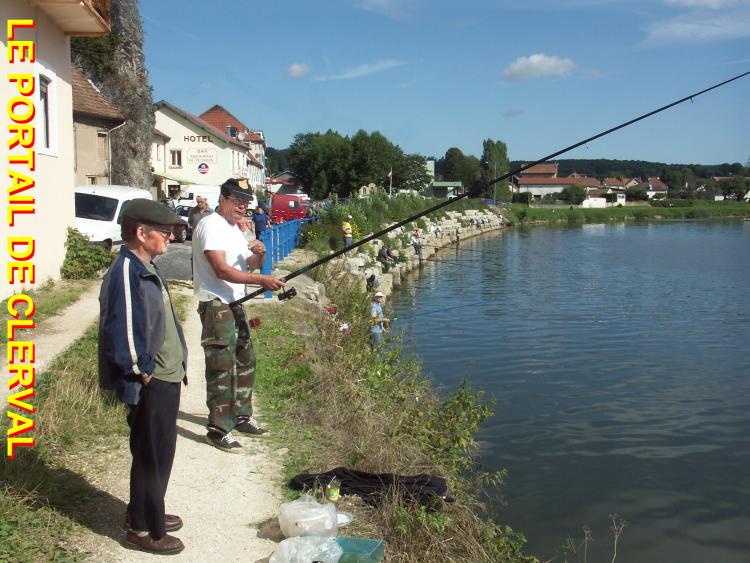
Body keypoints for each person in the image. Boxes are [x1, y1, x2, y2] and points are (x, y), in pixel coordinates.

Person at [98, 199, 188, 555]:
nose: (170, 236)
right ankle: (142, 529)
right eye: (163, 231)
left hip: (165, 376)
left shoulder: (145, 265)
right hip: (153, 381)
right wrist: (144, 371)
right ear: (140, 233)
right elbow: (121, 330)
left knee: (158, 453)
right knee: (152, 456)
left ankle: (148, 510)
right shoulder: (126, 270)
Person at [192, 178, 285, 453]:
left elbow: (250, 263)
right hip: (215, 302)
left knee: (245, 358)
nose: (242, 207)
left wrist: (260, 252)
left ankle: (242, 416)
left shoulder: (235, 229)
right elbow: (221, 270)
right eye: (237, 201)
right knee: (222, 366)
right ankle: (218, 429)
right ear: (222, 199)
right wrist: (263, 281)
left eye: (245, 202)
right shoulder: (210, 225)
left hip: (235, 301)